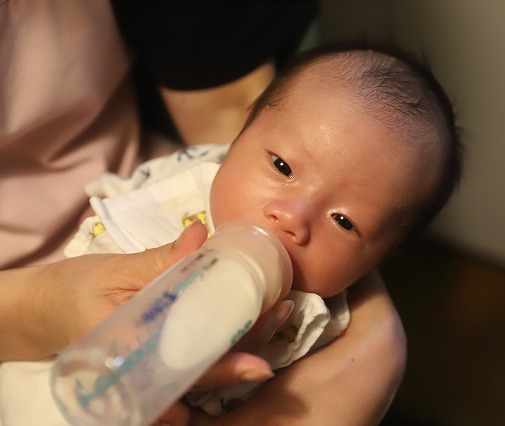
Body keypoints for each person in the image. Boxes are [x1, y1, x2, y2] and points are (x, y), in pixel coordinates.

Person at [0, 43, 462, 424]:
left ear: (378, 259)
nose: (292, 217)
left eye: (344, 221)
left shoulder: (324, 327)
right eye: (282, 167)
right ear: (241, 132)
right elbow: (114, 202)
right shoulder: (186, 186)